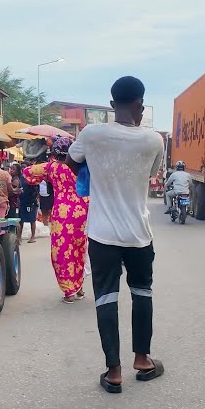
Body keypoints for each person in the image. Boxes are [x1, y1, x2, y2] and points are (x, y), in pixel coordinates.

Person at [65, 76, 164, 392]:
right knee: (142, 292)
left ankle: (114, 371)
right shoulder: (153, 140)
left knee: (106, 297)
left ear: (111, 105)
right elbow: (150, 174)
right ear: (140, 104)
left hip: (103, 235)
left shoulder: (92, 134)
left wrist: (97, 171)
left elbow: (71, 162)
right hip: (138, 235)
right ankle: (143, 360)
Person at [23, 136, 89, 303]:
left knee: (62, 252)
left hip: (62, 215)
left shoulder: (52, 168)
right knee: (79, 249)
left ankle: (69, 291)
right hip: (82, 213)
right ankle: (79, 286)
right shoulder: (81, 167)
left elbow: (27, 173)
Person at [16, 162, 40, 242]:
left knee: (32, 219)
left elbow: (37, 189)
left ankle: (33, 237)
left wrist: (35, 198)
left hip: (31, 201)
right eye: (22, 167)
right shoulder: (20, 177)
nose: (23, 169)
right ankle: (19, 237)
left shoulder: (32, 177)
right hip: (22, 200)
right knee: (21, 220)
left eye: (25, 167)